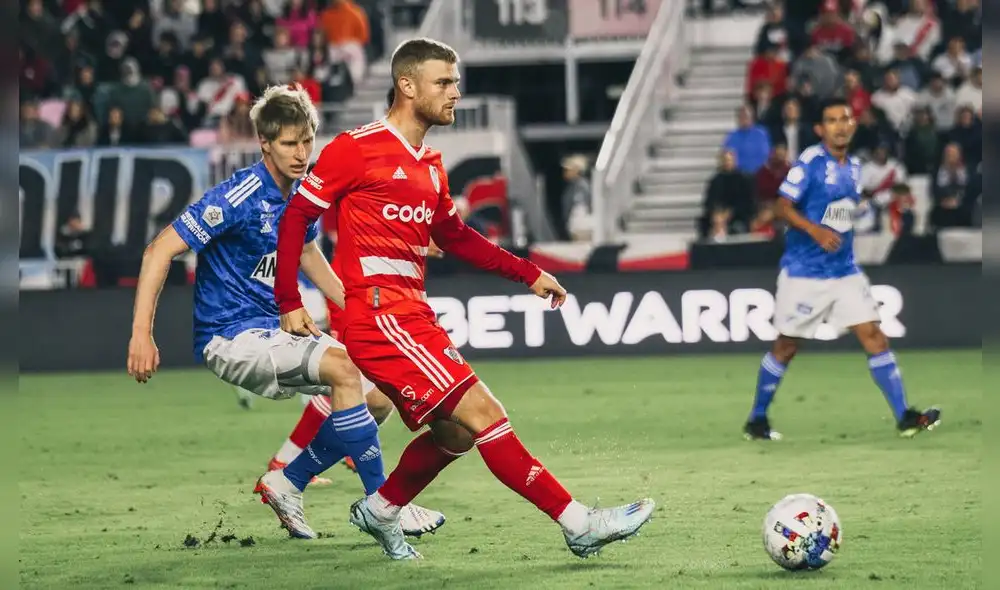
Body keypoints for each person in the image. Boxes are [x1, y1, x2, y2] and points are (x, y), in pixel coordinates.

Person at [269, 37, 654, 561]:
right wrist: (289, 298)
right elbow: (296, 216)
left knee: (456, 433)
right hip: (379, 316)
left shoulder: (430, 163)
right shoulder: (355, 148)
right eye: (444, 82)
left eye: (455, 82)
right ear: (407, 86)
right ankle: (578, 522)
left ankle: (381, 507)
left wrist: (528, 273)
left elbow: (455, 236)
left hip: (410, 311)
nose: (455, 92)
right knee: (483, 411)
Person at [125, 84, 444, 540]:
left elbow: (309, 255)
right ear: (265, 144)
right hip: (229, 335)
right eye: (289, 143)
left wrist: (359, 309)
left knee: (381, 393)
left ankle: (287, 481)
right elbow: (158, 250)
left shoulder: (300, 196)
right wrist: (142, 333)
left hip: (274, 331)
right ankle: (386, 506)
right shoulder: (238, 196)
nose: (301, 154)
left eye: (307, 141)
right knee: (345, 367)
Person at [743, 98, 941, 441]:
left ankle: (905, 417)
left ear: (853, 124)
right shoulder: (810, 162)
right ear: (820, 129)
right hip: (804, 272)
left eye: (845, 119)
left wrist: (854, 214)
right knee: (786, 346)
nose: (839, 125)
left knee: (874, 335)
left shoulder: (855, 167)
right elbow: (781, 207)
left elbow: (842, 209)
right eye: (831, 120)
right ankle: (757, 419)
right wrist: (815, 230)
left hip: (844, 271)